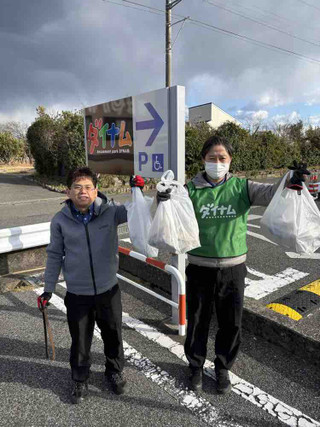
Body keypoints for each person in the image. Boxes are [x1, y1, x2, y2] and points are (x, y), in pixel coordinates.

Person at [157, 135, 309, 394]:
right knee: (196, 320)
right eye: (211, 158)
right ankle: (195, 366)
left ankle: (223, 366)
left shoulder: (242, 187)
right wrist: (161, 199)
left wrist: (289, 178)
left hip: (233, 269)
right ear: (203, 159)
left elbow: (272, 193)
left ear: (230, 161)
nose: (217, 163)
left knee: (231, 322)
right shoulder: (188, 190)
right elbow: (166, 210)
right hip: (199, 267)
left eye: (222, 158)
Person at [37, 167, 144, 404]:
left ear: (96, 191)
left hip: (108, 289)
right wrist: (48, 288)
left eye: (88, 187)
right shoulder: (60, 220)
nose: (82, 191)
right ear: (68, 191)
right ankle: (80, 378)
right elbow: (55, 254)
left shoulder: (111, 213)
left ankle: (114, 371)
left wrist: (138, 190)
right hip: (77, 293)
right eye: (77, 187)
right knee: (80, 339)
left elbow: (137, 212)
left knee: (113, 333)